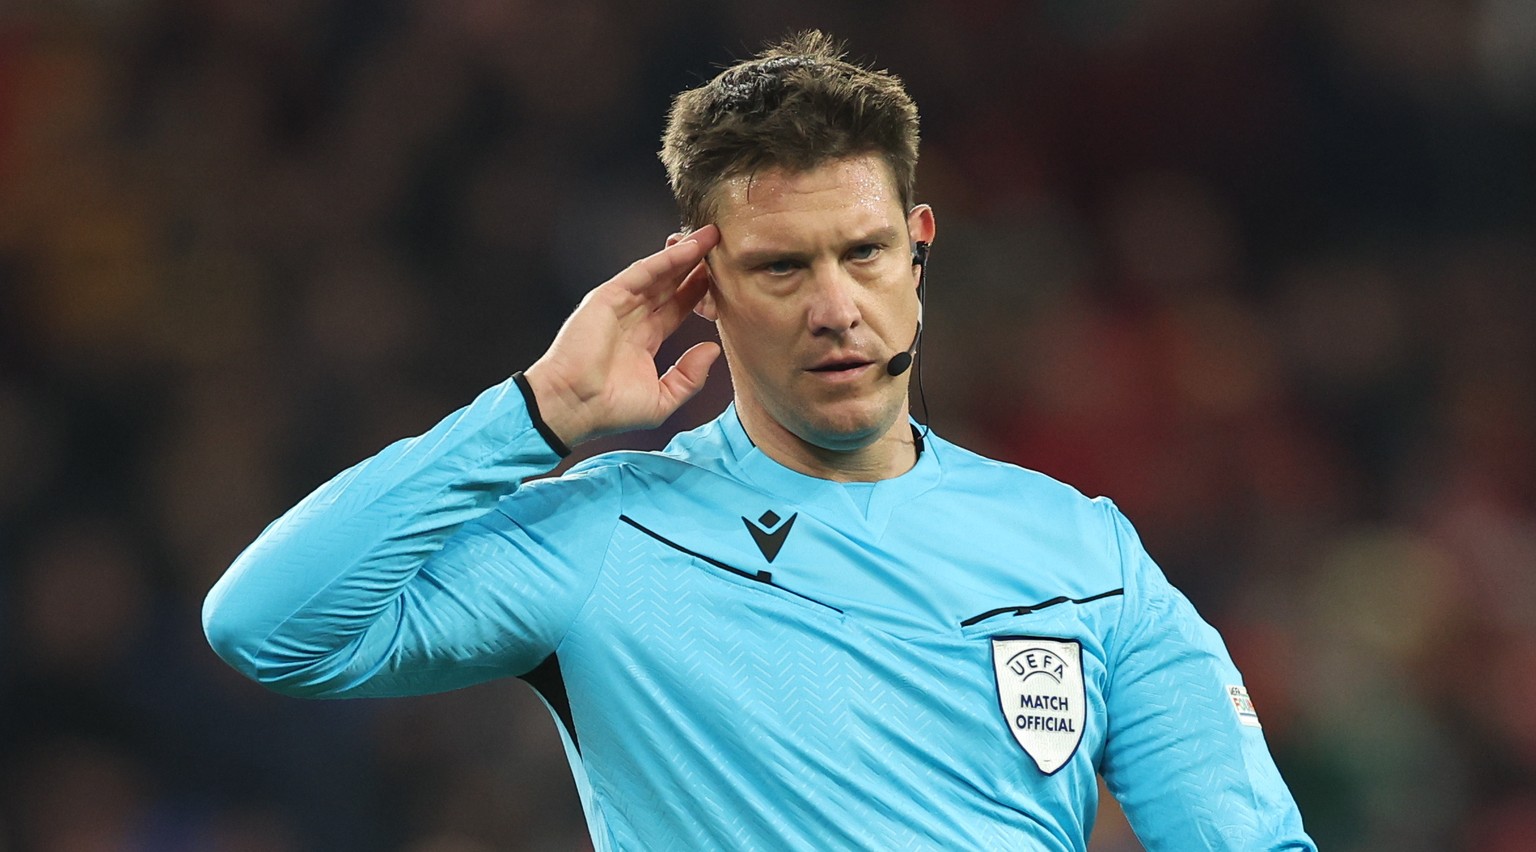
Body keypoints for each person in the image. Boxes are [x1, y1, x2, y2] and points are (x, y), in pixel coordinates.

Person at [203, 31, 1315, 851]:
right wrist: (532, 412)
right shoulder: (604, 534)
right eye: (784, 267)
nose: (837, 306)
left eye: (866, 254)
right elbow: (269, 625)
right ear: (703, 280)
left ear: (919, 251)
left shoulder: (1082, 549)